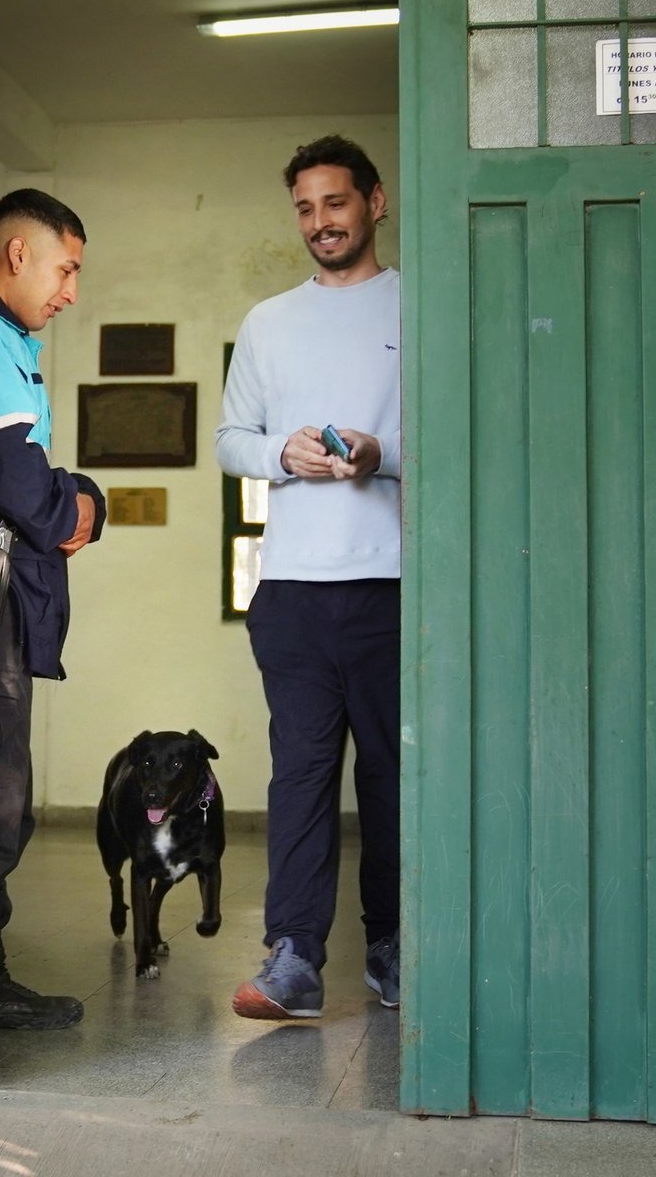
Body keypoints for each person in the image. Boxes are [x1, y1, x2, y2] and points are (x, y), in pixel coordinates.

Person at [215, 136, 402, 1020]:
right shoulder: (267, 322)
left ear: (374, 202)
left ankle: (395, 945)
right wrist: (282, 454)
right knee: (300, 776)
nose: (320, 223)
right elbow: (229, 442)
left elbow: (476, 428)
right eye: (304, 208)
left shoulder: (422, 305)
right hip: (291, 590)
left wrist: (382, 453)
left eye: (335, 203)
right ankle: (293, 958)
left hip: (398, 583)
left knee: (396, 780)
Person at [0, 189, 105, 1057]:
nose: (70, 292)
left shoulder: (10, 343)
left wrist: (72, 500)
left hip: (1, 604)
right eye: (66, 270)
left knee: (1, 800)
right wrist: (83, 502)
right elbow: (25, 492)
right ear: (18, 256)